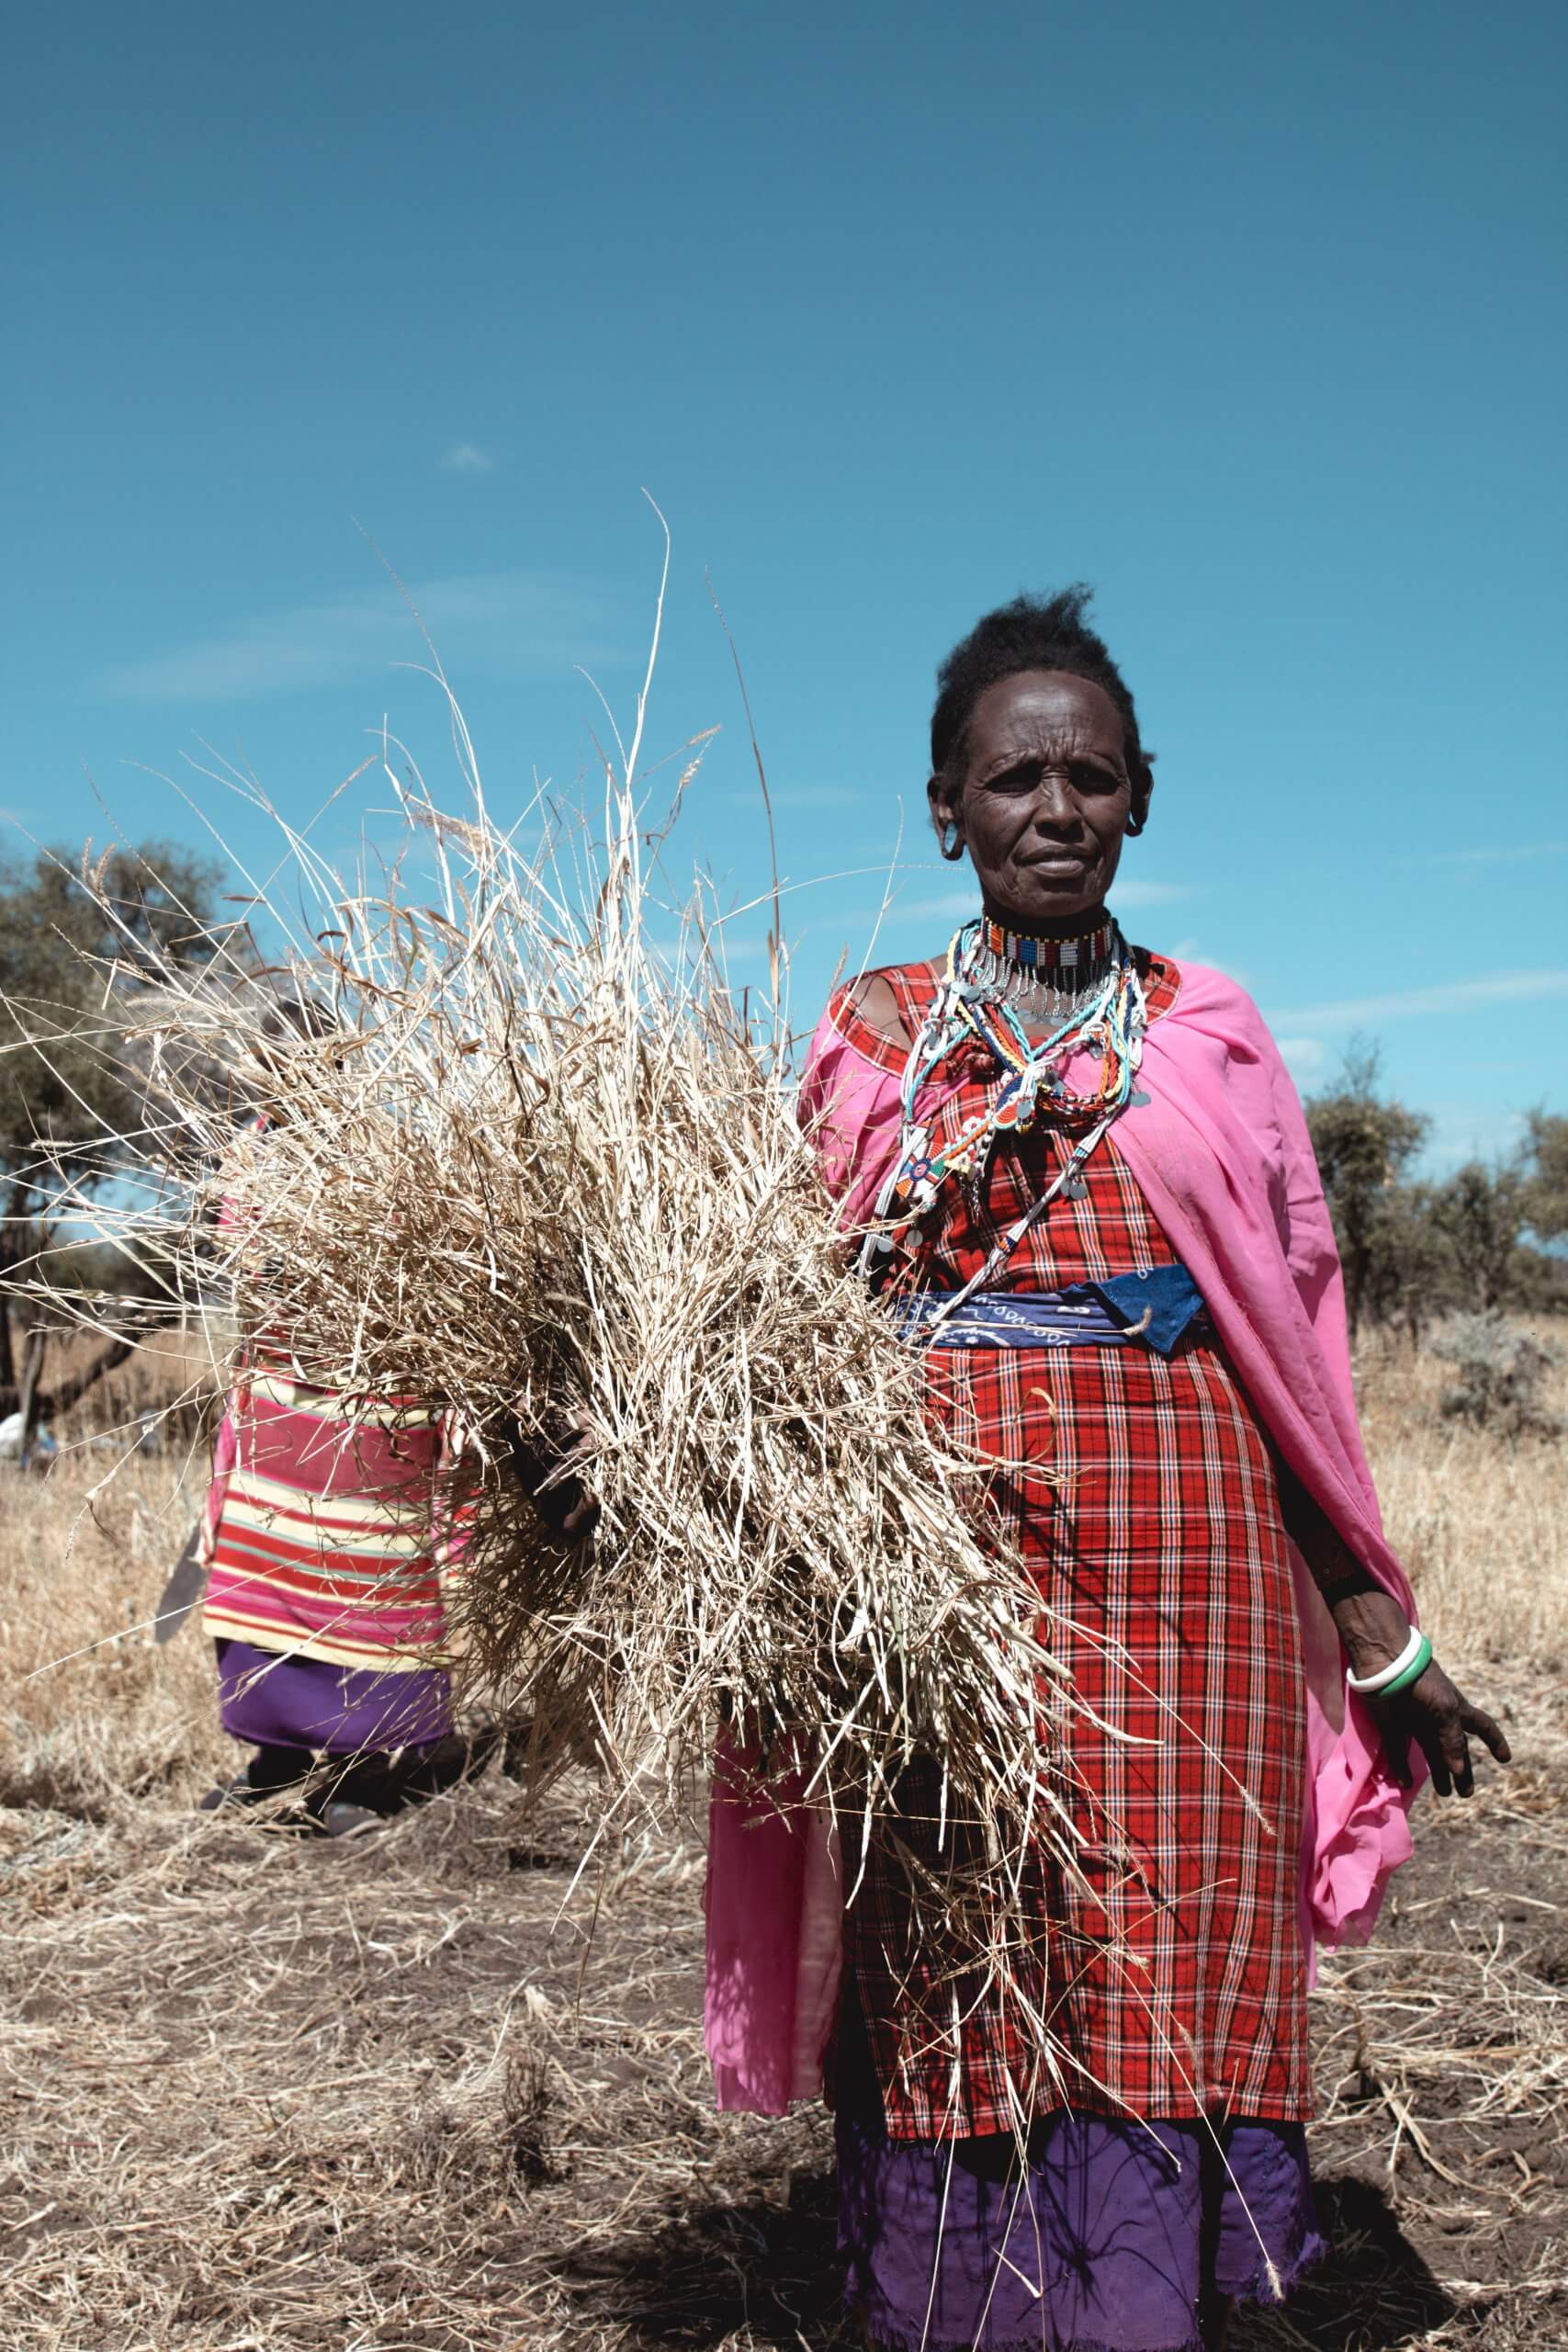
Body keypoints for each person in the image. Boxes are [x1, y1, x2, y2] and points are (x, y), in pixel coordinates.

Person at [705, 589, 1509, 2352]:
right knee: (956, 1926)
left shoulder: (1209, 1038)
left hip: (1196, 1572)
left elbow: (1289, 1361)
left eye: (1088, 775)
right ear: (944, 809)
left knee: (1170, 1938)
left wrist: (1382, 1640)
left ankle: (1148, 2304)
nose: (1052, 809)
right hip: (945, 1586)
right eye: (1011, 780)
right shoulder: (871, 1042)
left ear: (1143, 797)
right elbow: (779, 1344)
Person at [197, 987, 470, 1837]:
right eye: (267, 1066)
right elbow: (233, 1256)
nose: (273, 1081)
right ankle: (276, 1759)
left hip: (367, 1408)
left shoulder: (376, 1156)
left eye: (295, 1065)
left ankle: (359, 1767)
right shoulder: (246, 1154)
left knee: (362, 1584)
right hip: (277, 1406)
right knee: (257, 1576)